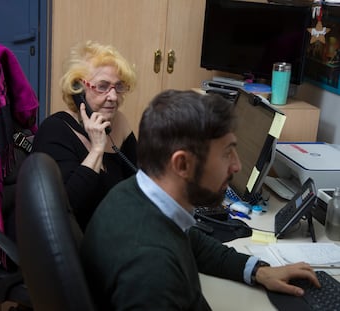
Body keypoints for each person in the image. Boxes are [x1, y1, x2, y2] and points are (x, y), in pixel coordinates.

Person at [80, 89, 321, 310]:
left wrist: (258, 271)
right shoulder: (150, 268)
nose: (237, 165)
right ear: (182, 164)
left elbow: (193, 242)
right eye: (227, 153)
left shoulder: (135, 193)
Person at [32, 41, 137, 231]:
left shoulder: (119, 123)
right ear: (78, 89)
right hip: (84, 243)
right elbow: (68, 208)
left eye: (119, 87)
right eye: (103, 86)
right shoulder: (55, 130)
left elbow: (139, 181)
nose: (113, 97)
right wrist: (97, 150)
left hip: (121, 230)